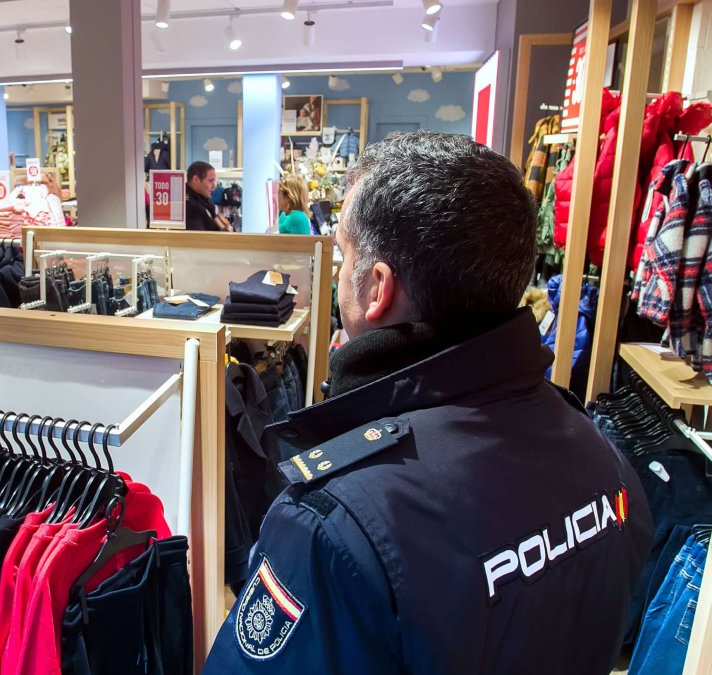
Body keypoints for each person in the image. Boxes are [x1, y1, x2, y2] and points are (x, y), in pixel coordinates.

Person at [205, 131, 652, 674]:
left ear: (377, 288)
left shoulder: (334, 524)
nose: (340, 273)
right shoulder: (598, 449)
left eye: (344, 255)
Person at [185, 161, 230, 232]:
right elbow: (200, 240)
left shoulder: (205, 199)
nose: (214, 186)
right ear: (196, 180)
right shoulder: (189, 207)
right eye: (210, 181)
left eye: (214, 181)